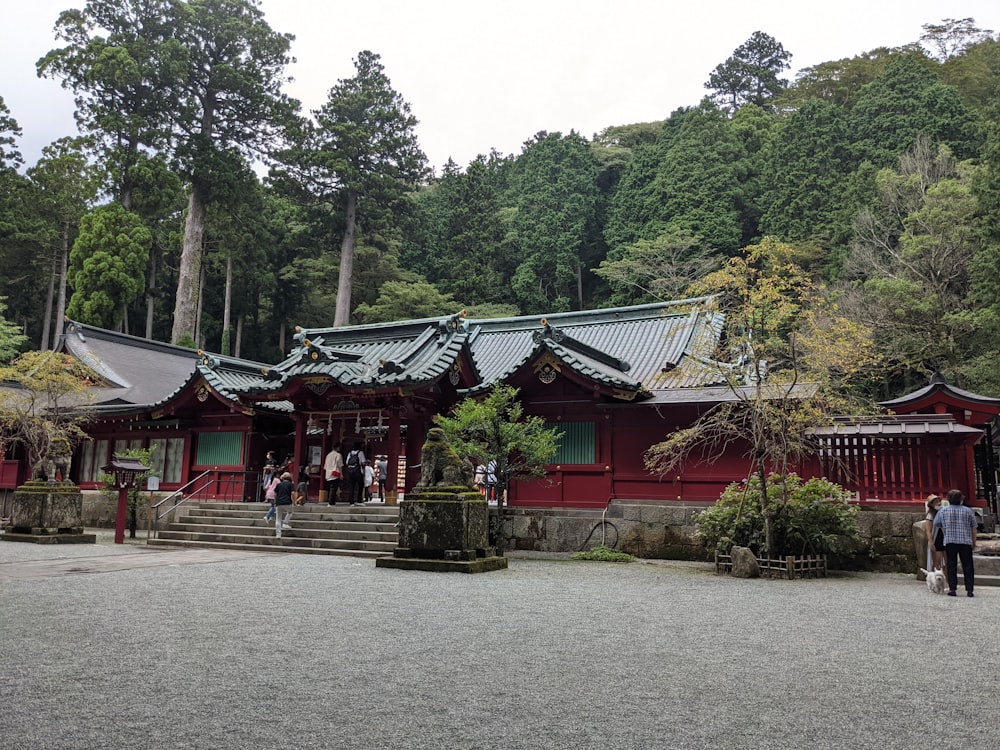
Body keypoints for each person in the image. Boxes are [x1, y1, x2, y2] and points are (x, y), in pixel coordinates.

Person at [932, 488, 978, 597]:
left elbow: (937, 523)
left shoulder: (943, 511)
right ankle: (970, 589)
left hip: (950, 540)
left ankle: (952, 588)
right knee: (968, 565)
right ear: (961, 499)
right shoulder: (968, 511)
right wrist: (974, 541)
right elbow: (974, 527)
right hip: (965, 541)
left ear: (948, 500)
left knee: (951, 565)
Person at [923, 494, 944, 573]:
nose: (938, 503)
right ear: (931, 504)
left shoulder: (942, 512)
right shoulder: (930, 515)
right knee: (937, 561)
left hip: (943, 536)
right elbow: (928, 530)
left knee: (944, 561)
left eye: (939, 501)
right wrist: (931, 543)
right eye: (936, 502)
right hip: (935, 538)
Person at [274, 471, 295, 537]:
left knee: (278, 518)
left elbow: (275, 494)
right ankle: (285, 522)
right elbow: (292, 493)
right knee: (290, 512)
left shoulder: (279, 485)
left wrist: (275, 501)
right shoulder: (290, 484)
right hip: (287, 502)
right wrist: (294, 501)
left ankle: (278, 534)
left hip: (279, 503)